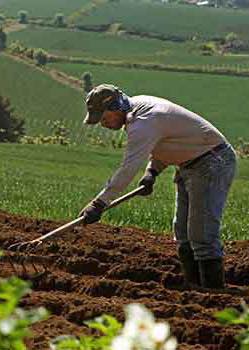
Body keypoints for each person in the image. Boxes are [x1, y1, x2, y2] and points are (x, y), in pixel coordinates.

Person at [79, 84, 237, 290]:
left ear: (116, 108)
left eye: (103, 117)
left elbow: (128, 168)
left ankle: (214, 292)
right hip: (189, 165)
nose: (103, 123)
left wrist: (99, 203)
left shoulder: (144, 121)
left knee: (201, 234)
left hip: (212, 162)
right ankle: (195, 287)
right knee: (182, 232)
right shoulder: (138, 110)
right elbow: (168, 142)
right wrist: (151, 172)